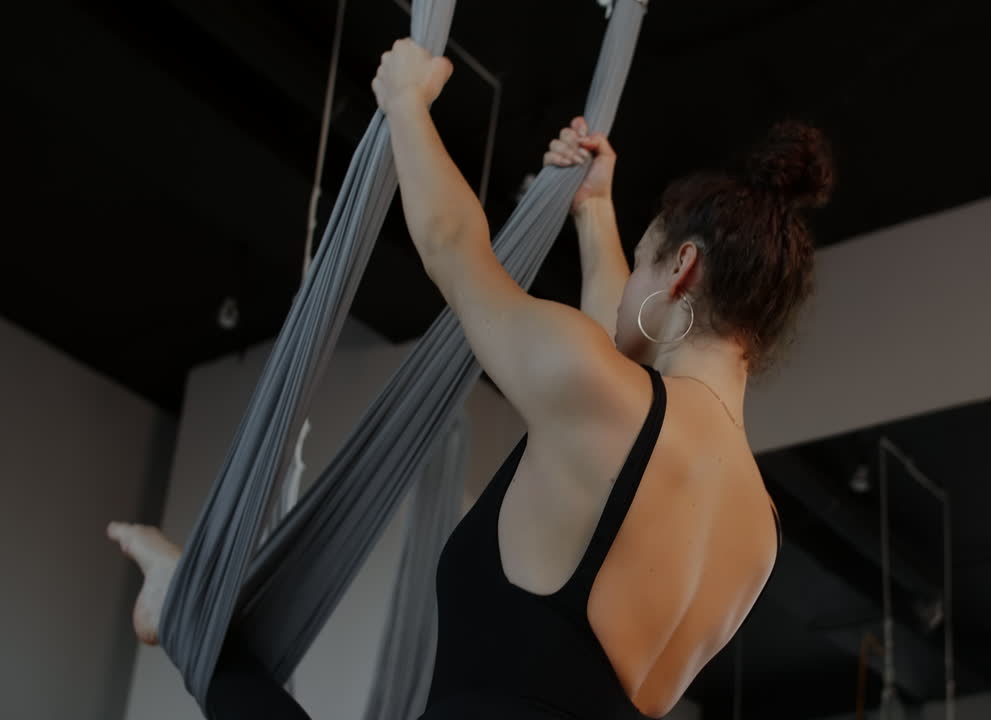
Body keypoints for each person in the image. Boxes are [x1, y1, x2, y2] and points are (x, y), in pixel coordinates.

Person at [108, 38, 833, 719]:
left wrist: (405, 104)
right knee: (237, 681)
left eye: (644, 258)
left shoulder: (608, 403)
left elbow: (455, 247)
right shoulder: (757, 538)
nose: (625, 283)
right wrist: (593, 211)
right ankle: (178, 606)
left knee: (235, 678)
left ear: (683, 270)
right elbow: (620, 353)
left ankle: (179, 605)